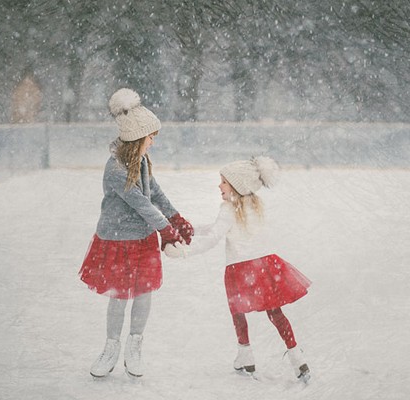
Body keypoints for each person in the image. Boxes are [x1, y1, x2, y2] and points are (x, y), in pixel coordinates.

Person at [78, 88, 194, 378]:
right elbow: (141, 203)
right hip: (117, 239)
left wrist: (175, 217)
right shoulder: (115, 168)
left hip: (143, 238)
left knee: (143, 293)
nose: (152, 143)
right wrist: (167, 231)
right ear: (135, 140)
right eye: (150, 137)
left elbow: (154, 191)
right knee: (119, 295)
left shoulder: (140, 162)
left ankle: (134, 347)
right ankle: (111, 348)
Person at [165, 156, 311, 383]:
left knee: (238, 312)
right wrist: (191, 230)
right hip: (264, 266)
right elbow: (216, 230)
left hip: (239, 269)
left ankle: (246, 354)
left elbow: (214, 237)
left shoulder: (228, 209)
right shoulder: (255, 206)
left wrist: (184, 252)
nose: (219, 186)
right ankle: (296, 356)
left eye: (223, 181)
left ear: (237, 185)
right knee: (275, 312)